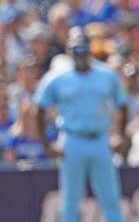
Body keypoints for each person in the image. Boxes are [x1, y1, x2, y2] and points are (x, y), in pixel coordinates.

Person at [33, 27, 128, 222]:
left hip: (100, 139)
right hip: (72, 140)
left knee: (110, 197)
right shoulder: (58, 77)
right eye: (75, 50)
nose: (80, 55)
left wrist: (121, 135)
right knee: (70, 199)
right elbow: (39, 108)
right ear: (68, 51)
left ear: (89, 50)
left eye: (83, 50)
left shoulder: (106, 74)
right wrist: (46, 144)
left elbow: (123, 104)